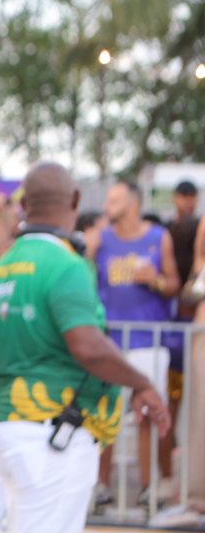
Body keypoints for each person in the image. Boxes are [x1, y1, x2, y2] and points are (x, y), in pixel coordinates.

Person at [0, 162, 169, 533]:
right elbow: (88, 345)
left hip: (10, 428)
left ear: (23, 207)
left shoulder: (0, 269)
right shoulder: (66, 265)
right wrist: (142, 382)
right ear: (75, 204)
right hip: (53, 436)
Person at [88, 177, 180, 508]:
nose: (107, 207)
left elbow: (174, 284)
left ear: (133, 203)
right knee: (105, 413)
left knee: (146, 414)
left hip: (148, 340)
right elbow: (84, 279)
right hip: (110, 342)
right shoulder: (102, 240)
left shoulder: (158, 238)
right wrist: (90, 251)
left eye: (114, 200)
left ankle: (146, 486)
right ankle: (101, 484)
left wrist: (153, 279)